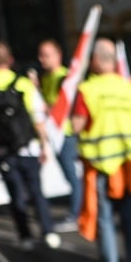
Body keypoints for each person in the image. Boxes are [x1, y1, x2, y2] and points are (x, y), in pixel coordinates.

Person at [0, 40, 60, 250]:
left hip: (4, 149)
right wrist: (44, 145)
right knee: (36, 191)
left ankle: (25, 236)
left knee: (15, 193)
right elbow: (37, 119)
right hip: (28, 147)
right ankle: (48, 230)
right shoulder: (23, 83)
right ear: (10, 60)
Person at [71, 38, 131, 262]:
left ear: (97, 61)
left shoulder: (88, 90)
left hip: (102, 164)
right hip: (127, 164)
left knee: (106, 222)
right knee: (129, 218)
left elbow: (77, 126)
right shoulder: (130, 88)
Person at [34, 39, 83, 233]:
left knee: (72, 176)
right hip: (54, 134)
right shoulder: (46, 77)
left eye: (46, 55)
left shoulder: (64, 78)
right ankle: (77, 211)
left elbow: (54, 108)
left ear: (58, 55)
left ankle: (77, 214)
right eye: (40, 55)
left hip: (66, 134)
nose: (41, 59)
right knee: (69, 175)